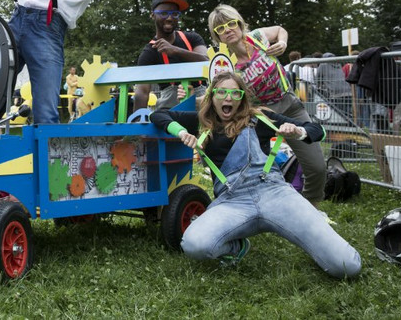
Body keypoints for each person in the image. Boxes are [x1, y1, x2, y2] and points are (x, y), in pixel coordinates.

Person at [151, 72, 361, 278]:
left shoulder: (259, 118)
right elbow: (158, 114)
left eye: (235, 94)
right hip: (232, 202)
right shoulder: (201, 122)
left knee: (346, 266)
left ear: (242, 98)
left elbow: (317, 130)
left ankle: (328, 252)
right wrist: (180, 132)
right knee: (194, 244)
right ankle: (236, 247)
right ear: (211, 96)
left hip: (275, 194)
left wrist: (298, 131)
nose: (228, 98)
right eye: (222, 92)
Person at [208, 4, 326, 206]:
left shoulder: (257, 37)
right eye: (220, 28)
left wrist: (282, 42)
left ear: (239, 23)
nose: (227, 30)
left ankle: (310, 207)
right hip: (261, 117)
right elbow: (216, 94)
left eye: (231, 23)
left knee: (317, 167)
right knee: (255, 170)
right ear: (216, 36)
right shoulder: (226, 65)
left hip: (291, 105)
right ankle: (246, 208)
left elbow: (280, 30)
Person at [133, 0, 208, 111]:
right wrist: (137, 124)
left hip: (201, 104)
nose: (169, 18)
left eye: (174, 14)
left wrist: (176, 50)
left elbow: (207, 61)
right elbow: (142, 92)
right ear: (152, 15)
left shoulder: (192, 38)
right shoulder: (149, 52)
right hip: (170, 109)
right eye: (163, 13)